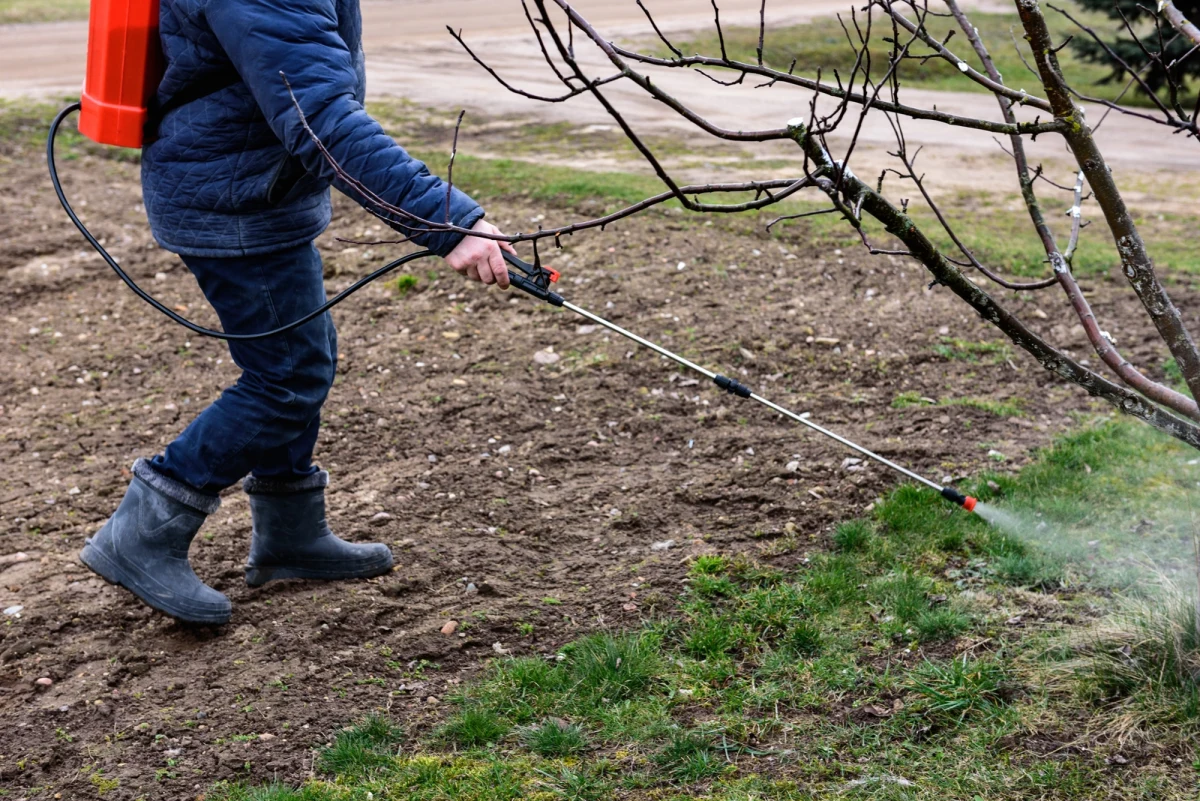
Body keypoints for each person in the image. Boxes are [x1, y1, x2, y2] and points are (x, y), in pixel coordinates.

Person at [79, 0, 516, 625]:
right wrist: (445, 220)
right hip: (233, 200)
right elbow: (319, 117)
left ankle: (290, 533)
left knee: (301, 361)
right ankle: (141, 534)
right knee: (286, 378)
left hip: (255, 186)